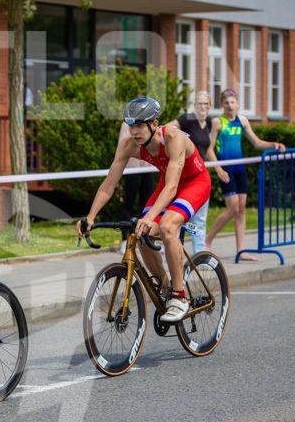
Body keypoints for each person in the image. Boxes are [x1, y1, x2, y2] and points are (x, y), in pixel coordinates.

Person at [77, 97, 211, 322]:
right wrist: (90, 216)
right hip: (168, 183)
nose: (134, 132)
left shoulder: (174, 138)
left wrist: (150, 217)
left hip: (194, 183)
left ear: (154, 124)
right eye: (130, 126)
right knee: (141, 232)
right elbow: (109, 184)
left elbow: (172, 187)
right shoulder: (129, 145)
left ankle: (180, 296)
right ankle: (166, 285)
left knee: (167, 227)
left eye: (139, 125)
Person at [204, 89, 286, 259]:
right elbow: (209, 149)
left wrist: (274, 145)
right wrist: (218, 169)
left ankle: (241, 250)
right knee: (233, 208)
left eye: (232, 102)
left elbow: (256, 143)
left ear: (238, 104)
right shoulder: (218, 122)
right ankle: (207, 241)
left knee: (241, 210)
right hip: (226, 169)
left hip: (240, 169)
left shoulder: (242, 121)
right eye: (226, 103)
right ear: (222, 105)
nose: (230, 106)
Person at [168, 90, 215, 254]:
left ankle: (199, 255)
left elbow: (208, 149)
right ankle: (172, 251)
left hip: (200, 176)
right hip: (184, 174)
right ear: (194, 106)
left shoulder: (209, 122)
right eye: (199, 104)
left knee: (199, 220)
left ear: (210, 106)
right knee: (177, 217)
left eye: (206, 104)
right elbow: (167, 129)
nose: (202, 107)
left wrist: (219, 168)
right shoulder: (187, 119)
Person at [116, 122, 157, 254]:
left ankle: (147, 240)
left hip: (148, 168)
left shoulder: (148, 123)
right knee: (128, 204)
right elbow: (124, 145)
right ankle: (125, 240)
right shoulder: (126, 125)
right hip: (132, 169)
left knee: (148, 205)